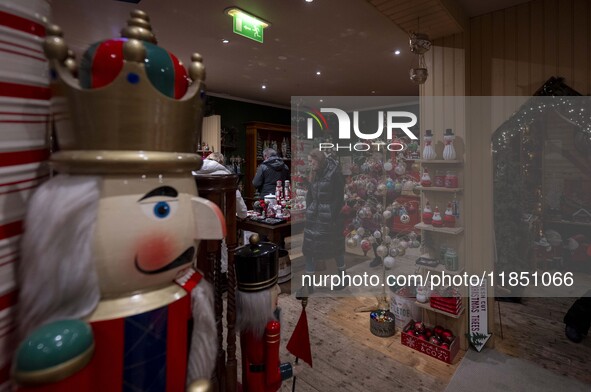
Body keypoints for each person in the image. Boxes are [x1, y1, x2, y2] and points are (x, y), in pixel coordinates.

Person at [235, 234, 297, 391]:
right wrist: (290, 370)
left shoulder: (245, 322)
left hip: (249, 377)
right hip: (263, 382)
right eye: (272, 289)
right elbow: (272, 376)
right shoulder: (272, 327)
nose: (278, 290)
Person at [300, 149, 346, 295]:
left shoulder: (335, 173)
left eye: (311, 161)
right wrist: (310, 209)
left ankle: (343, 277)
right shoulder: (315, 173)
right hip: (314, 216)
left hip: (329, 218)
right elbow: (310, 194)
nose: (310, 164)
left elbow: (339, 198)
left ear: (318, 160)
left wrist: (331, 214)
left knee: (335, 247)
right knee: (309, 248)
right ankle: (309, 283)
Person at [194, 151, 248, 275]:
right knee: (221, 248)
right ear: (221, 162)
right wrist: (243, 215)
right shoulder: (227, 177)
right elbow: (239, 203)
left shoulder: (192, 173)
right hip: (218, 228)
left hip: (193, 227)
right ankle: (221, 275)